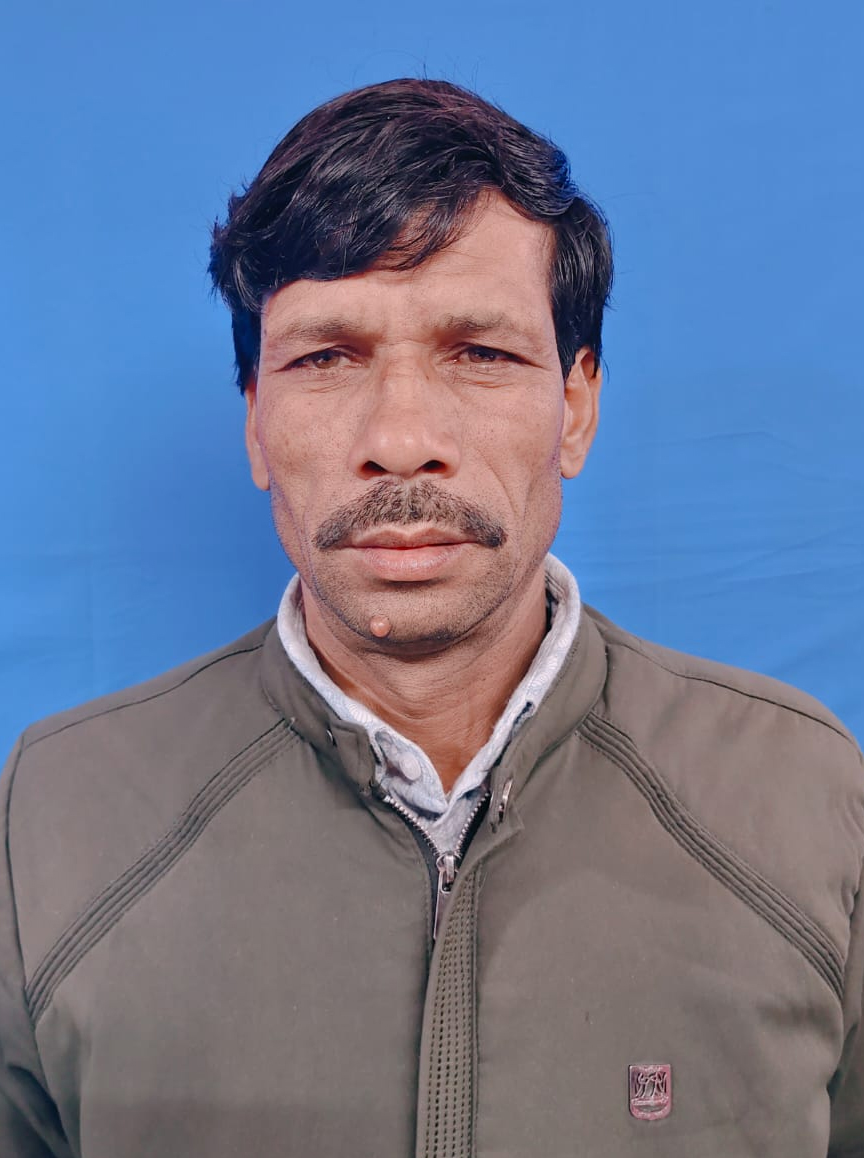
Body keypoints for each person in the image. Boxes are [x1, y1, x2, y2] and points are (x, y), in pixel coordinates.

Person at [1, 78, 862, 1158]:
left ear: (577, 407)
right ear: (256, 423)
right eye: (326, 358)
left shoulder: (808, 796)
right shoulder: (51, 817)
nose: (402, 440)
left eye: (481, 354)